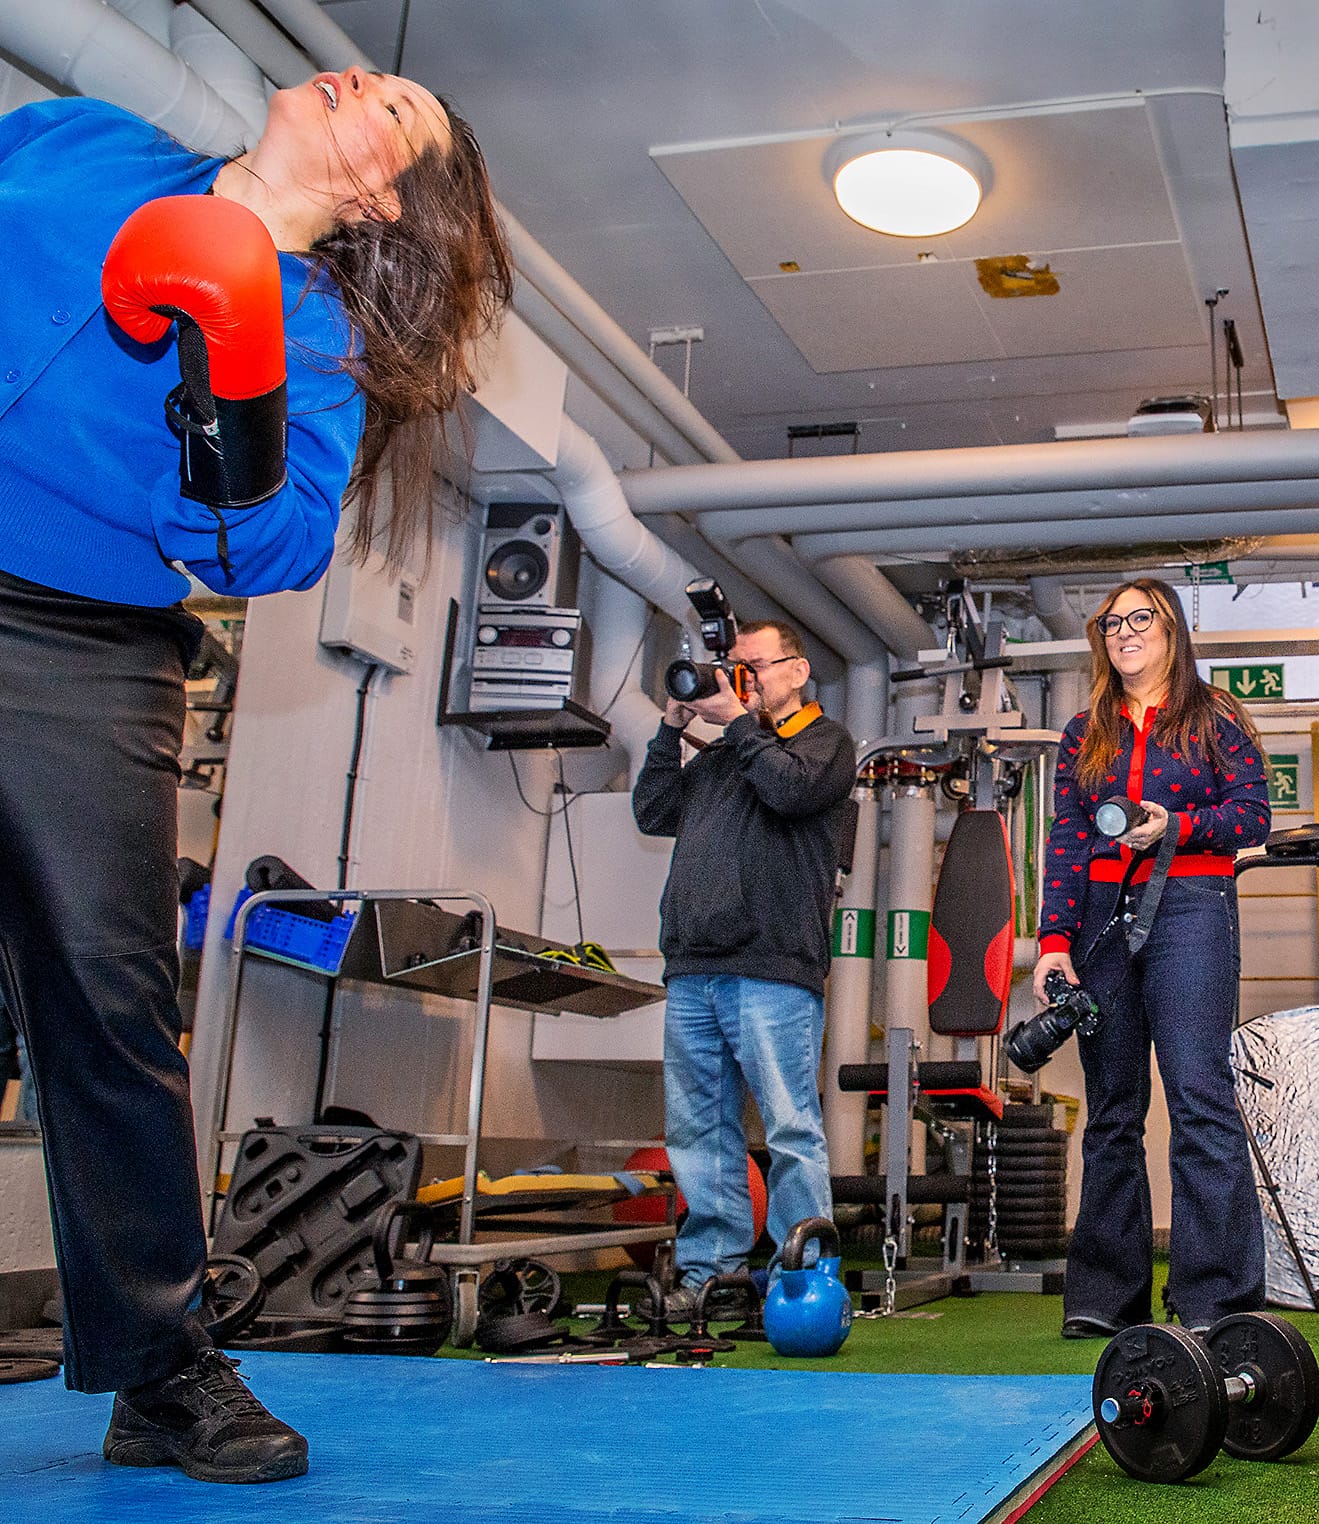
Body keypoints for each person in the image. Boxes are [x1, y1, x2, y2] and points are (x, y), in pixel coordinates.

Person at [0, 68, 508, 1483]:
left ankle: (162, 1369)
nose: (362, 84)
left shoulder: (314, 332)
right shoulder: (86, 138)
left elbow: (264, 553)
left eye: (398, 110)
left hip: (76, 637)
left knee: (106, 1002)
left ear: (380, 194)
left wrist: (229, 368)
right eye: (375, 77)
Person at [1033, 577, 1272, 1337]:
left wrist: (1176, 824)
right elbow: (1068, 841)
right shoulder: (1085, 730)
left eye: (1143, 619)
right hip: (1102, 920)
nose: (1126, 632)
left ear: (1171, 631)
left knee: (1200, 1097)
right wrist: (1053, 942)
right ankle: (1106, 1297)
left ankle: (1216, 1300)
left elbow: (1253, 815)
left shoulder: (1215, 716)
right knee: (1112, 1111)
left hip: (1193, 909)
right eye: (1112, 623)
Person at [633, 620, 857, 1317]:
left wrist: (736, 724)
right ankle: (711, 1278)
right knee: (699, 1130)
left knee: (789, 1127)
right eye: (733, 669)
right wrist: (670, 733)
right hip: (694, 965)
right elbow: (653, 810)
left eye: (754, 668)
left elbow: (789, 792)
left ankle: (806, 1278)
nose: (741, 681)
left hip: (771, 966)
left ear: (797, 670)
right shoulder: (725, 757)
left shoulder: (825, 743)